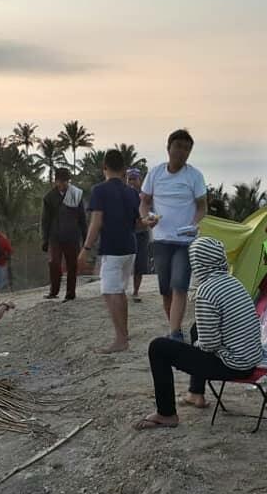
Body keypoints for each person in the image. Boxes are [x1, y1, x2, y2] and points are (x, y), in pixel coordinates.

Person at [136, 237, 263, 430]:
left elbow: (209, 345)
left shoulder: (207, 290)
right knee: (197, 328)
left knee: (158, 347)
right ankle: (196, 393)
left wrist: (190, 349)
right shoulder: (233, 281)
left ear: (198, 263)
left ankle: (166, 414)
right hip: (250, 361)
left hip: (233, 365)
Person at [140, 129, 207, 341]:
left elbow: (202, 207)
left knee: (179, 285)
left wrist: (194, 223)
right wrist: (146, 218)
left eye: (187, 149)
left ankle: (175, 332)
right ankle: (173, 327)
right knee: (165, 289)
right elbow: (144, 201)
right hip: (161, 239)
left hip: (185, 240)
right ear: (169, 148)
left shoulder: (194, 176)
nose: (182, 152)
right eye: (178, 147)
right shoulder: (156, 173)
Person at [81, 149, 146, 353]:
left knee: (111, 293)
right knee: (119, 292)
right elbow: (137, 223)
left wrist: (85, 249)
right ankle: (123, 335)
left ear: (105, 168)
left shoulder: (100, 190)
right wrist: (149, 223)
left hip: (113, 248)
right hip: (130, 247)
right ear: (124, 169)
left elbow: (96, 222)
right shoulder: (132, 192)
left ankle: (121, 339)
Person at [41, 167, 87, 301]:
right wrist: (44, 239)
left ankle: (70, 293)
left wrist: (85, 237)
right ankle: (53, 291)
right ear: (56, 182)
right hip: (55, 237)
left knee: (72, 265)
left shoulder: (76, 194)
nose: (63, 184)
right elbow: (45, 220)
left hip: (72, 236)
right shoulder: (49, 197)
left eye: (66, 181)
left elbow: (82, 218)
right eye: (61, 181)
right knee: (54, 263)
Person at [126, 167, 150, 303]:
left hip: (142, 233)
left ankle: (136, 291)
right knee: (125, 263)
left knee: (140, 264)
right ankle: (121, 290)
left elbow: (151, 212)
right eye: (130, 179)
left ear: (140, 180)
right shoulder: (123, 195)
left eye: (134, 179)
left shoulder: (145, 196)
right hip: (127, 233)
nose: (132, 182)